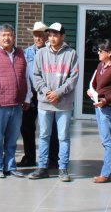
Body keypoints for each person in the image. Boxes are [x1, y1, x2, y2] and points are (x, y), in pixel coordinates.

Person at [29, 22, 79, 181]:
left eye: (55, 35)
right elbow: (35, 75)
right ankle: (42, 167)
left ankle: (63, 168)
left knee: (63, 137)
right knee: (43, 135)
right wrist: (45, 91)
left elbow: (73, 78)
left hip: (63, 104)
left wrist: (58, 93)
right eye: (49, 35)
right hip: (44, 103)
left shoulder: (71, 54)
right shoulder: (41, 53)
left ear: (62, 36)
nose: (51, 38)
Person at [0, 24, 28, 178]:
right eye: (4, 35)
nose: (7, 38)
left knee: (13, 138)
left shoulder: (21, 54)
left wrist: (27, 98)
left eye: (10, 35)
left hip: (16, 104)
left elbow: (25, 77)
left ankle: (10, 166)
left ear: (14, 37)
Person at [87, 39, 111, 183]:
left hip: (109, 108)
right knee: (107, 141)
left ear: (110, 53)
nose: (98, 53)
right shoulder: (100, 65)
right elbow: (96, 83)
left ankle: (106, 173)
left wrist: (105, 100)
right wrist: (92, 92)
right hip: (100, 106)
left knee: (107, 141)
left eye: (101, 51)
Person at [20, 22, 47, 168]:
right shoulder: (27, 52)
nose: (38, 38)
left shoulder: (50, 51)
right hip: (31, 95)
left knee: (48, 129)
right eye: (36, 35)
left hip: (46, 94)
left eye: (41, 35)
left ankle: (50, 159)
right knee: (26, 127)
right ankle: (29, 157)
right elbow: (23, 74)